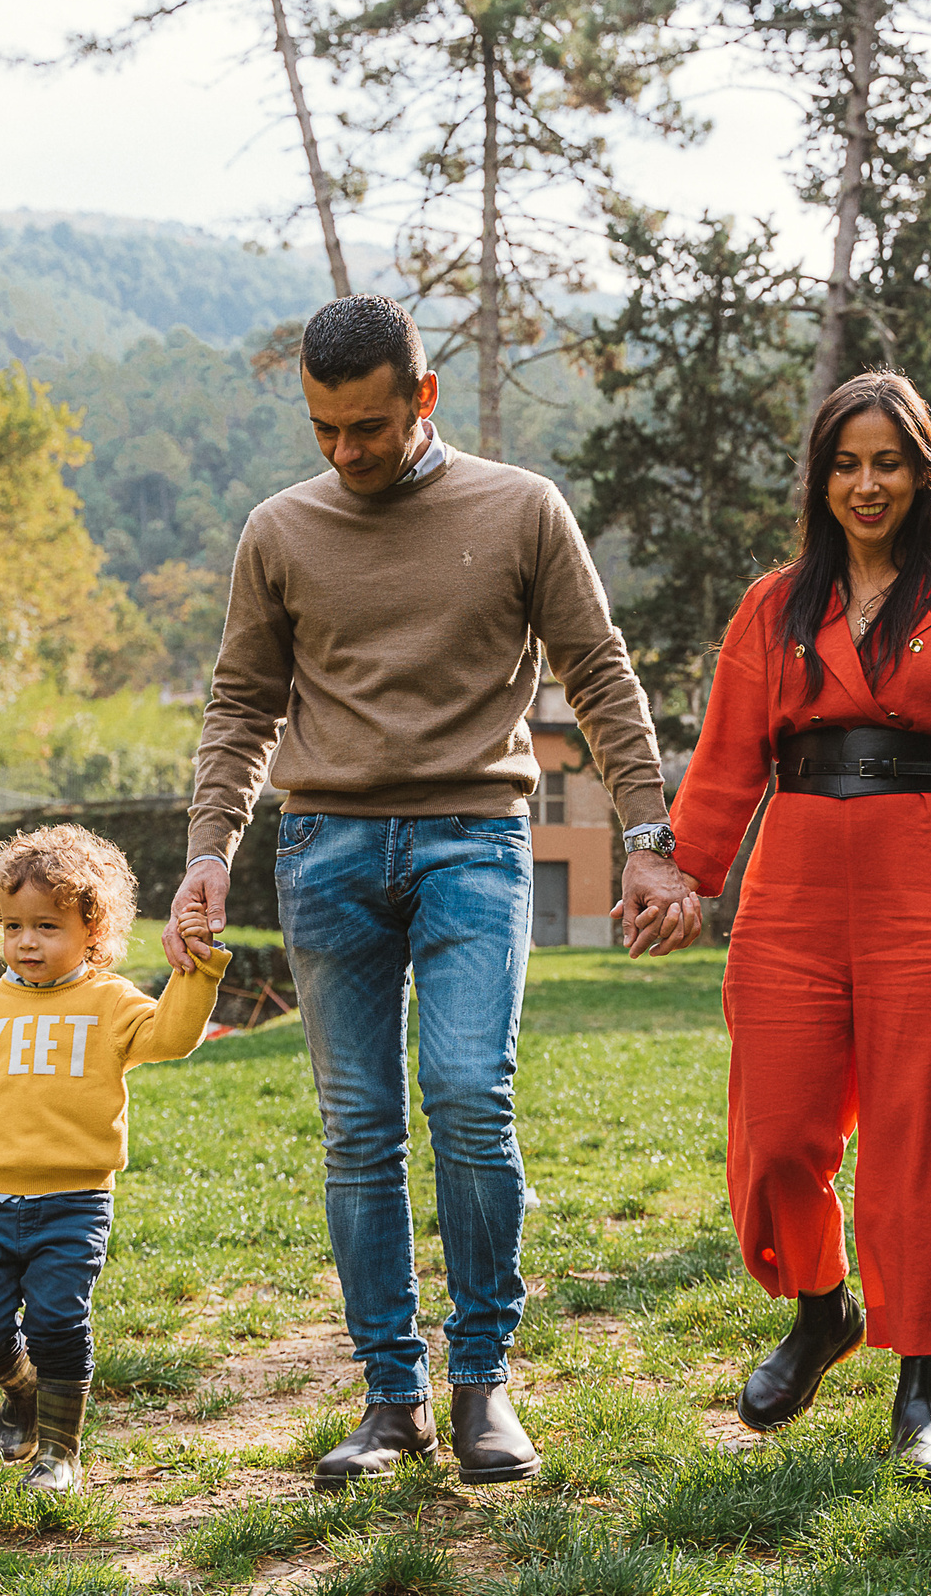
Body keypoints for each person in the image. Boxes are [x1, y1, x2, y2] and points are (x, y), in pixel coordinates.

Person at [168, 295, 699, 1491]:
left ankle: (483, 1381)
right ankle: (389, 1397)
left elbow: (601, 678)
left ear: (425, 397)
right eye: (323, 431)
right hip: (326, 850)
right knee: (359, 1132)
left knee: (467, 1093)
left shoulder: (519, 509)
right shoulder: (279, 530)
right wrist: (211, 849)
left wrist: (647, 835)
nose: (345, 454)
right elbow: (240, 703)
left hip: (475, 839)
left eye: (366, 427)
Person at [661, 372, 931, 1493]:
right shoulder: (772, 605)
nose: (867, 483)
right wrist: (685, 873)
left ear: (922, 473)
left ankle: (921, 1389)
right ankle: (823, 1309)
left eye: (888, 462)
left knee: (927, 1137)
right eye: (846, 463)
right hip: (795, 882)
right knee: (779, 1128)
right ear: (821, 477)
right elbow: (722, 761)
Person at [0, 825, 230, 1491]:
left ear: (94, 930)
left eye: (48, 926)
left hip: (75, 1202)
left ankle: (60, 1453)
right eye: (14, 925)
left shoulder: (109, 1003)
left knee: (58, 1319)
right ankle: (23, 1390)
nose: (28, 941)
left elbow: (172, 1036)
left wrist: (194, 970)